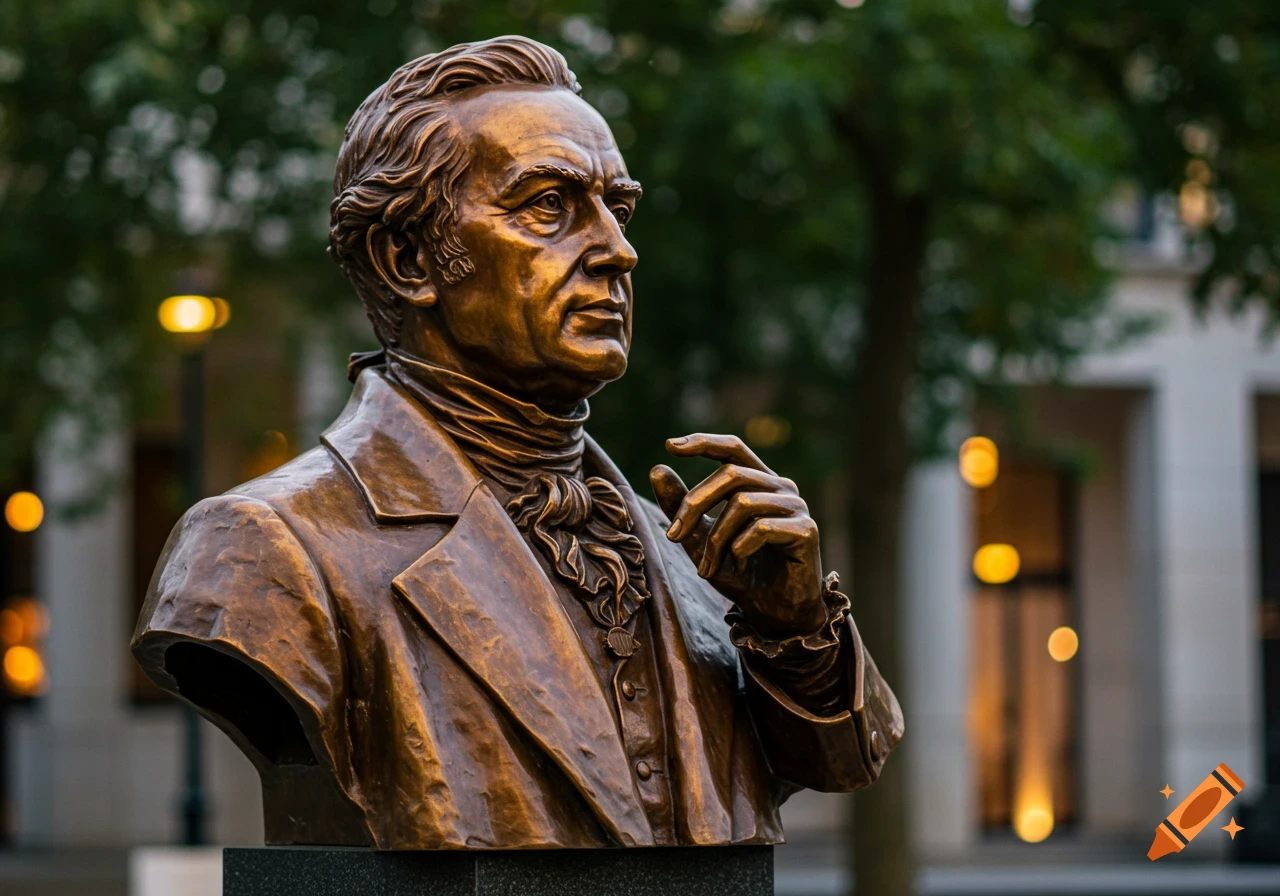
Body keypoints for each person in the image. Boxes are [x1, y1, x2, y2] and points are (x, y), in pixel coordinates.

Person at [132, 35, 902, 850]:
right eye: (548, 206)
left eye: (619, 207)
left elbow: (842, 763)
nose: (617, 249)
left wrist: (795, 628)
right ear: (407, 257)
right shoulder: (267, 548)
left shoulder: (689, 553)